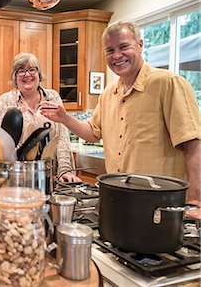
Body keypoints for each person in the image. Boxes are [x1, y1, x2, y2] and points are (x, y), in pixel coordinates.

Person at [41, 21, 201, 218]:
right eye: (110, 50)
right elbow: (92, 132)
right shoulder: (109, 93)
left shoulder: (168, 84)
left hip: (162, 206)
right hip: (120, 200)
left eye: (124, 46)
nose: (117, 56)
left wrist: (195, 201)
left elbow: (193, 143)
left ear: (140, 45)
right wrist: (64, 118)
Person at [0, 52, 80, 183]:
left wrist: (65, 171)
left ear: (39, 74)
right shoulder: (6, 101)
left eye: (32, 69)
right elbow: (0, 146)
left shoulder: (53, 98)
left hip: (51, 177)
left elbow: (61, 138)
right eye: (21, 71)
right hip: (17, 178)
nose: (27, 74)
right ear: (15, 77)